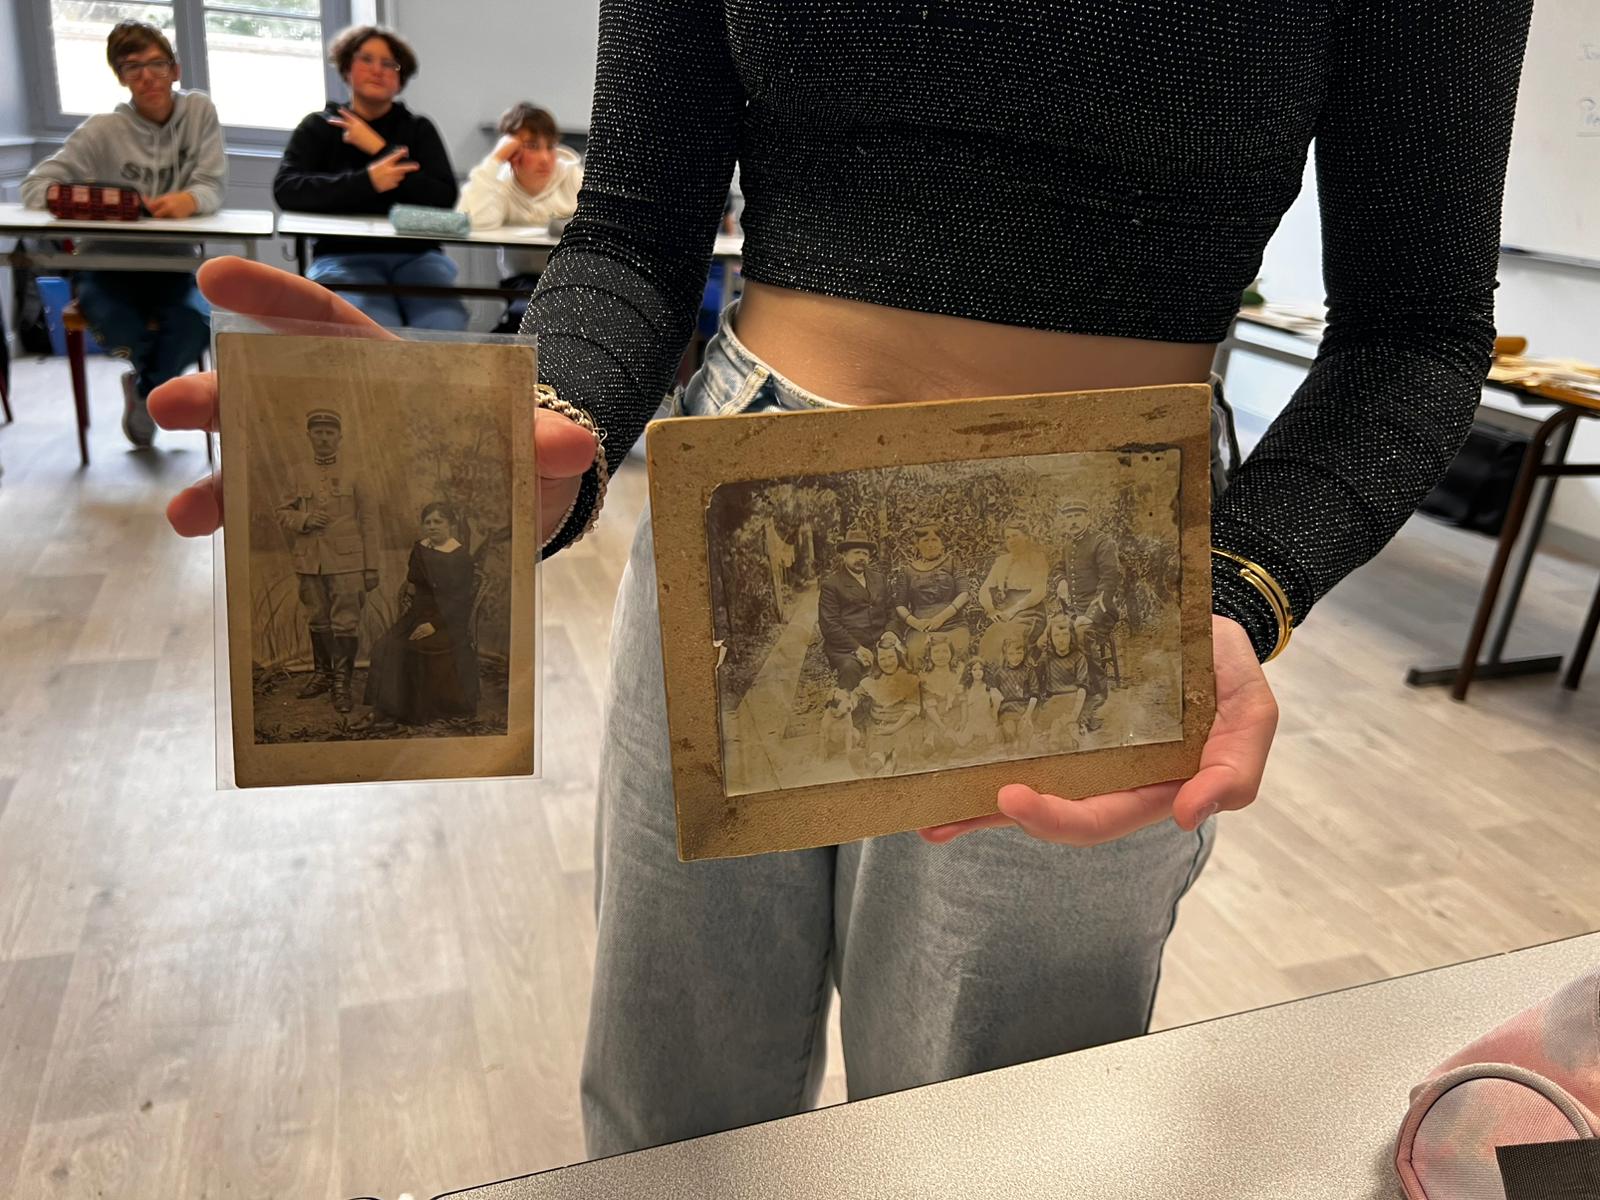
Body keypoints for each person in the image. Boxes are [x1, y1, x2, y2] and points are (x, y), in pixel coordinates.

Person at [154, 0, 1533, 1163]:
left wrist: (1238, 590)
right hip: (737, 503)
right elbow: (633, 228)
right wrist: (554, 411)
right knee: (673, 1121)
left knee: (998, 1143)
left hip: (1088, 564)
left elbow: (1413, 334)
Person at [20, 19, 224, 448]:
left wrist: (190, 200)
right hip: (105, 263)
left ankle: (144, 393)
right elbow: (36, 186)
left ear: (175, 69)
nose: (148, 76)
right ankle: (154, 389)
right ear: (121, 77)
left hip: (173, 263)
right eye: (133, 67)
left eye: (157, 64)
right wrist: (94, 202)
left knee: (195, 322)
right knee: (115, 323)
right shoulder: (102, 129)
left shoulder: (199, 111)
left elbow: (211, 184)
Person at [273, 25, 466, 331]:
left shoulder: (419, 129)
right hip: (342, 257)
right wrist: (368, 182)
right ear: (347, 68)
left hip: (417, 257)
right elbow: (287, 190)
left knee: (445, 324)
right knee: (373, 331)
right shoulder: (318, 127)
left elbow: (444, 197)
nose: (377, 70)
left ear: (400, 79)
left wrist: (378, 147)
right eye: (366, 59)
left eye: (389, 64)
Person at [274, 408, 379, 714]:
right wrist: (304, 519)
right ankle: (323, 675)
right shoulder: (296, 472)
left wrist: (371, 566)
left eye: (329, 433)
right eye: (318, 432)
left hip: (348, 561)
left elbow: (370, 521)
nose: (323, 438)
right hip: (309, 560)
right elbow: (282, 512)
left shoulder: (357, 471)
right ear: (309, 435)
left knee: (345, 621)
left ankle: (341, 684)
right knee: (317, 618)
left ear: (339, 437)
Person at [457, 102, 583, 334]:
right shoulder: (499, 183)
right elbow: (478, 222)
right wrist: (495, 160)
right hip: (523, 280)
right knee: (526, 315)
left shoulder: (573, 177)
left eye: (550, 146)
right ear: (511, 150)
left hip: (571, 277)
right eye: (532, 146)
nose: (545, 158)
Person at [363, 502, 481, 727]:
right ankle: (384, 709)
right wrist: (414, 614)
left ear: (450, 524)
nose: (432, 526)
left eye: (438, 521)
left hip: (448, 620)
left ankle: (403, 712)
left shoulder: (460, 557)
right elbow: (414, 582)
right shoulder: (420, 549)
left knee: (412, 648)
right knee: (385, 645)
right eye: (427, 522)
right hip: (418, 614)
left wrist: (433, 624)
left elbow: (459, 601)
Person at [1049, 500, 1123, 732]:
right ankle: (1064, 691)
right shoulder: (1068, 545)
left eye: (1077, 516)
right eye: (1068, 517)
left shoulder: (1101, 542)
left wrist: (1090, 615)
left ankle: (1096, 694)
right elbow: (1058, 568)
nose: (1072, 521)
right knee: (1048, 636)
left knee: (1080, 634)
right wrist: (1060, 581)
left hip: (1100, 613)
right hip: (1072, 612)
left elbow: (1109, 580)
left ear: (1087, 518)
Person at [815, 528, 890, 691]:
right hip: (846, 647)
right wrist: (856, 648)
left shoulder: (879, 579)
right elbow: (830, 626)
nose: (861, 558)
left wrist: (890, 634)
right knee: (850, 668)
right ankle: (847, 704)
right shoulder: (832, 584)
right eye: (856, 553)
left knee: (903, 660)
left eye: (865, 554)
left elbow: (891, 611)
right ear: (844, 555)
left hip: (879, 642)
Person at [890, 522, 971, 665]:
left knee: (956, 653)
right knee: (917, 653)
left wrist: (940, 618)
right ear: (917, 544)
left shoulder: (953, 563)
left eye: (934, 540)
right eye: (925, 541)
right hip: (921, 628)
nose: (930, 545)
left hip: (953, 625)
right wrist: (915, 623)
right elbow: (900, 605)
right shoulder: (907, 571)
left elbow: (964, 594)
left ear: (941, 544)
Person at [850, 631, 923, 776]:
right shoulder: (872, 680)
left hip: (903, 723)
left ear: (898, 657)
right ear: (877, 660)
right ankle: (876, 763)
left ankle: (895, 762)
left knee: (902, 745)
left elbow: (912, 709)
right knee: (877, 745)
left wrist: (894, 728)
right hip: (879, 724)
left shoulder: (909, 678)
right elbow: (856, 693)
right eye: (882, 659)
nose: (887, 662)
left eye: (891, 657)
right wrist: (852, 700)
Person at [978, 521, 1051, 662]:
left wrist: (1012, 611)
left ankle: (1017, 672)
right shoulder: (1001, 561)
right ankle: (992, 674)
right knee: (991, 636)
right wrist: (991, 610)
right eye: (1008, 537)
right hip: (1005, 614)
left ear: (1026, 537)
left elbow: (1039, 591)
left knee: (1010, 638)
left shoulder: (1037, 559)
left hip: (1030, 614)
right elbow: (984, 589)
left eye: (1015, 536)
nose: (1011, 541)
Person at [1034, 613, 1090, 751]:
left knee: (1069, 730)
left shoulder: (1078, 657)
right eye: (1056, 636)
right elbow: (1035, 680)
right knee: (1043, 734)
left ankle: (1067, 738)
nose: (1061, 640)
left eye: (1065, 635)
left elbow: (1082, 688)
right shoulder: (1047, 658)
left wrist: (1075, 712)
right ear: (1050, 638)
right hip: (1054, 701)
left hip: (1073, 699)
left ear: (1071, 636)